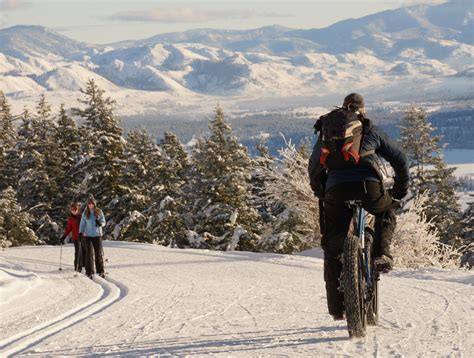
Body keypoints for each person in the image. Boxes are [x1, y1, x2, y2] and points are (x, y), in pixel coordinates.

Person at [308, 93, 409, 320]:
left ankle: (337, 309)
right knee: (385, 211)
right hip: (369, 187)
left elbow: (314, 166)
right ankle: (382, 253)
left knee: (333, 246)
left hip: (335, 189)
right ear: (362, 110)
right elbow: (400, 158)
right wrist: (400, 190)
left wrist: (321, 191)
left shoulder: (329, 131)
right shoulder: (368, 128)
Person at [79, 195, 106, 279]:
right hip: (88, 236)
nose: (91, 205)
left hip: (97, 235)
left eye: (92, 203)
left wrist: (100, 224)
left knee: (98, 254)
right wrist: (80, 232)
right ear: (87, 204)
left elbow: (104, 221)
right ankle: (89, 272)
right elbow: (82, 223)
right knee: (89, 254)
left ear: (94, 204)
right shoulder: (85, 213)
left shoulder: (99, 211)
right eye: (89, 204)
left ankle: (100, 271)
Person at [59, 202, 84, 272]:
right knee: (78, 251)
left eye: (75, 209)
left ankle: (83, 266)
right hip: (76, 237)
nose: (74, 211)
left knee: (84, 251)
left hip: (84, 236)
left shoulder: (82, 216)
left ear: (78, 209)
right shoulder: (71, 219)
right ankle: (77, 267)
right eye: (72, 210)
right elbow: (68, 228)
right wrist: (64, 236)